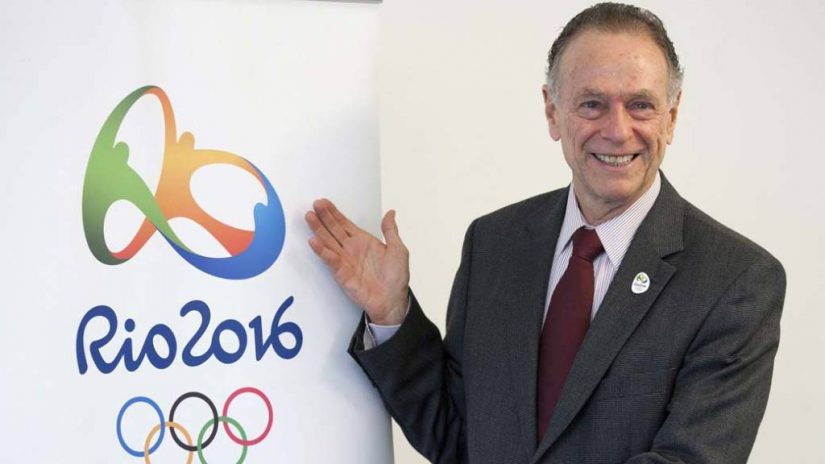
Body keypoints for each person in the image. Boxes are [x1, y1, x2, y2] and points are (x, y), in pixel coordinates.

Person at [305, 3, 786, 463]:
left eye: (641, 105)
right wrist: (391, 314)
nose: (618, 130)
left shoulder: (736, 281)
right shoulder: (494, 244)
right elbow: (459, 438)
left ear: (672, 116)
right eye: (592, 104)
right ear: (552, 112)